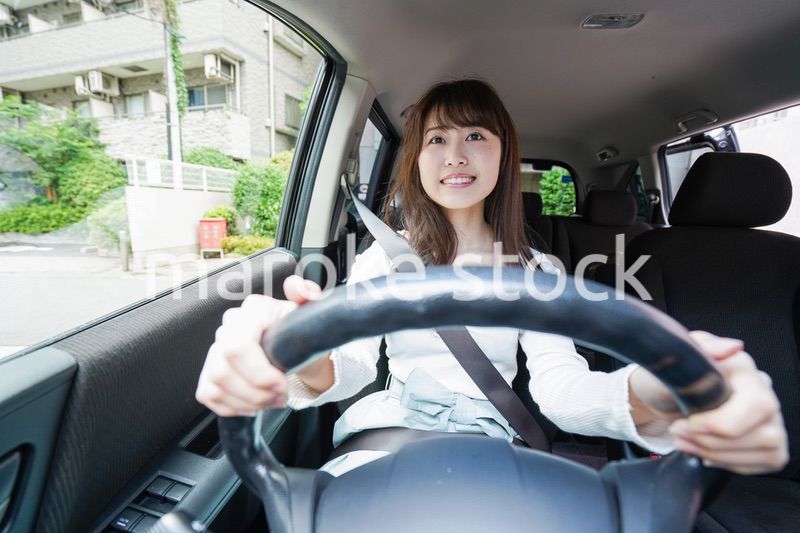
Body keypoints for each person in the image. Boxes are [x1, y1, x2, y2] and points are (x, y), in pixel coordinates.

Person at [196, 79, 788, 477]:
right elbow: (348, 369)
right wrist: (298, 349)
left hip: (498, 444)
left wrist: (654, 393)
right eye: (437, 139)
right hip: (383, 439)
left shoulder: (541, 270)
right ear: (419, 162)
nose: (456, 155)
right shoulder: (384, 260)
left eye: (475, 136)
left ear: (503, 155)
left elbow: (562, 392)